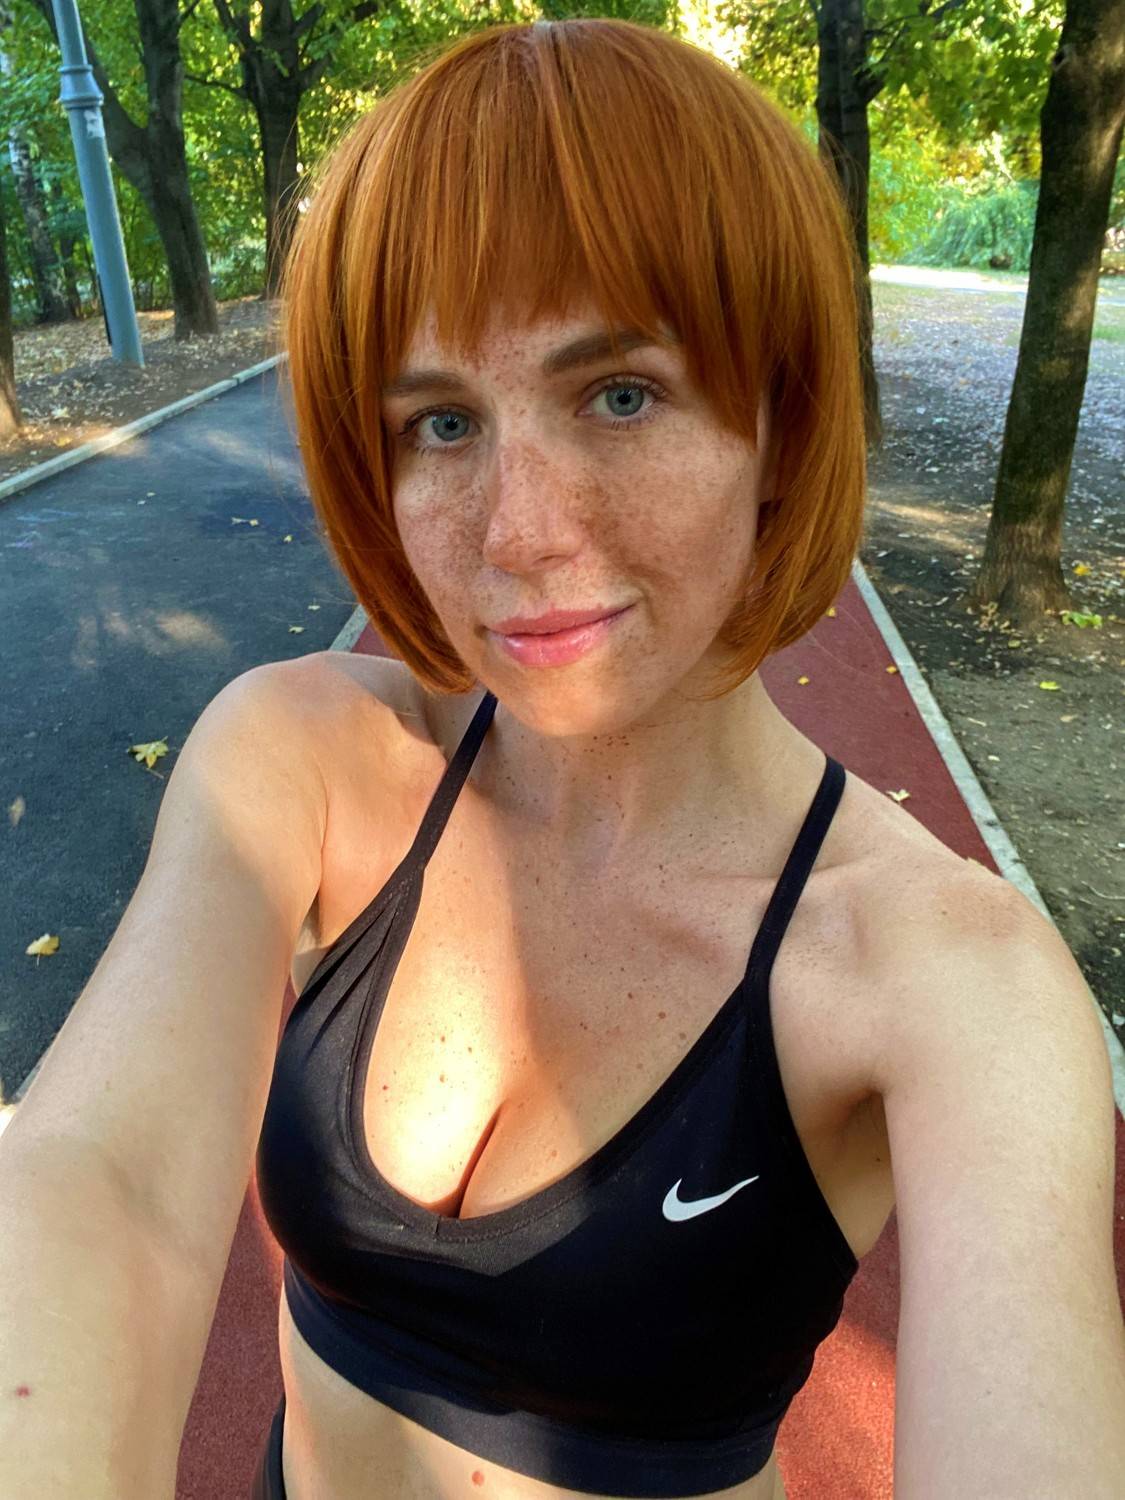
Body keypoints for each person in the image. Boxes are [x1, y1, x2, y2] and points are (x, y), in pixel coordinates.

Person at [4, 16, 1121, 1500]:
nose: (522, 532)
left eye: (621, 393)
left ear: (779, 424)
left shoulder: (948, 982)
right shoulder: (310, 763)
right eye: (441, 421)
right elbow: (106, 1184)